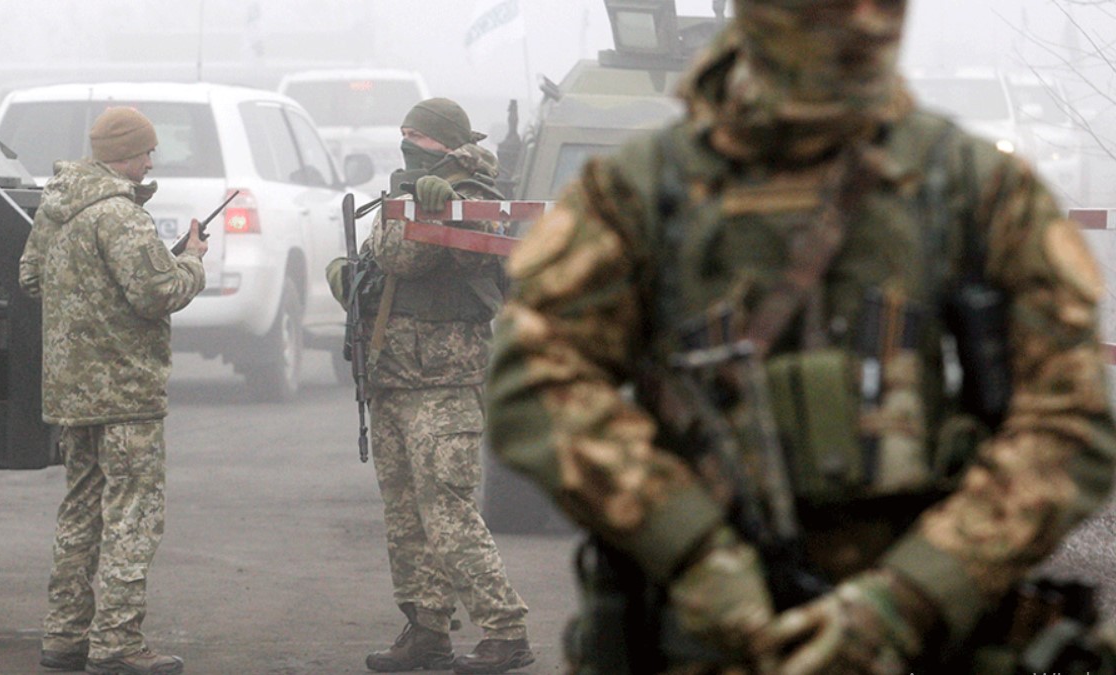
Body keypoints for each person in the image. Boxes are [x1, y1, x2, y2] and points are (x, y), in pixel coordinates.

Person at [485, 0, 1116, 673]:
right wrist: (692, 547)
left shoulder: (971, 186)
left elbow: (1070, 419)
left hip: (921, 637)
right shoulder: (642, 188)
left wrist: (914, 590)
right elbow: (534, 382)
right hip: (699, 637)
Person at [19, 106, 207, 675]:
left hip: (72, 392)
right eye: (147, 152)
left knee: (80, 512)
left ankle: (65, 636)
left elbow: (31, 277)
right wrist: (191, 262)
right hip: (125, 392)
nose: (151, 162)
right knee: (133, 515)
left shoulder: (57, 207)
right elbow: (157, 294)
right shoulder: (121, 215)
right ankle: (117, 643)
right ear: (125, 154)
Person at [359, 98, 533, 674]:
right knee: (405, 515)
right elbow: (378, 261)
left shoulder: (470, 193)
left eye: (421, 135)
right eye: (404, 131)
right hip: (393, 376)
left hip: (443, 381)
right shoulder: (408, 188)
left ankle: (505, 632)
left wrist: (437, 209)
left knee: (448, 512)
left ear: (449, 144)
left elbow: (404, 256)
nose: (408, 141)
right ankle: (426, 628)